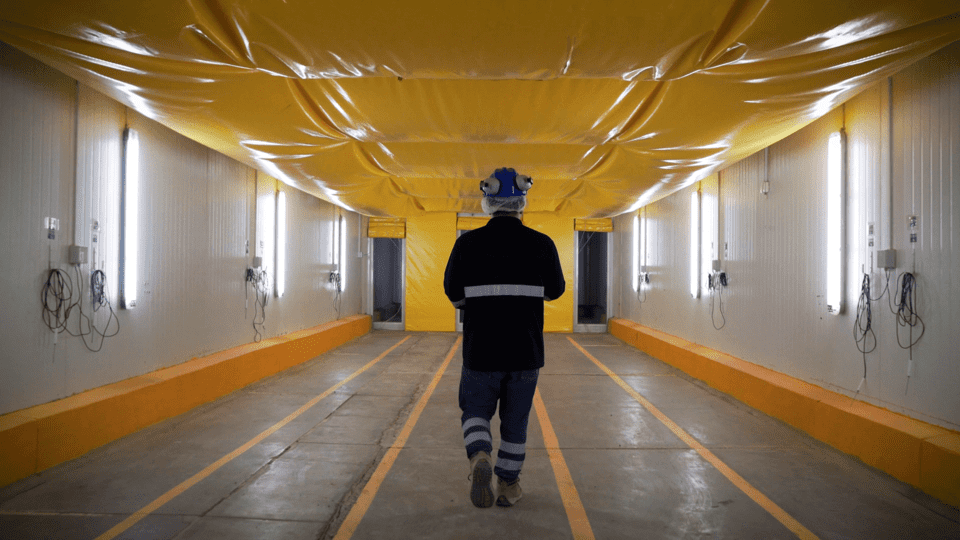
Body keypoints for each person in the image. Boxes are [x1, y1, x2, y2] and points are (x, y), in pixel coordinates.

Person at [443, 167, 565, 508]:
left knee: (475, 412)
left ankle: (479, 455)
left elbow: (453, 292)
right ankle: (508, 485)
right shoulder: (542, 244)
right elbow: (555, 290)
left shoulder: (467, 243)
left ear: (488, 200)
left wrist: (479, 305)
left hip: (481, 350)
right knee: (516, 422)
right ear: (522, 201)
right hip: (525, 352)